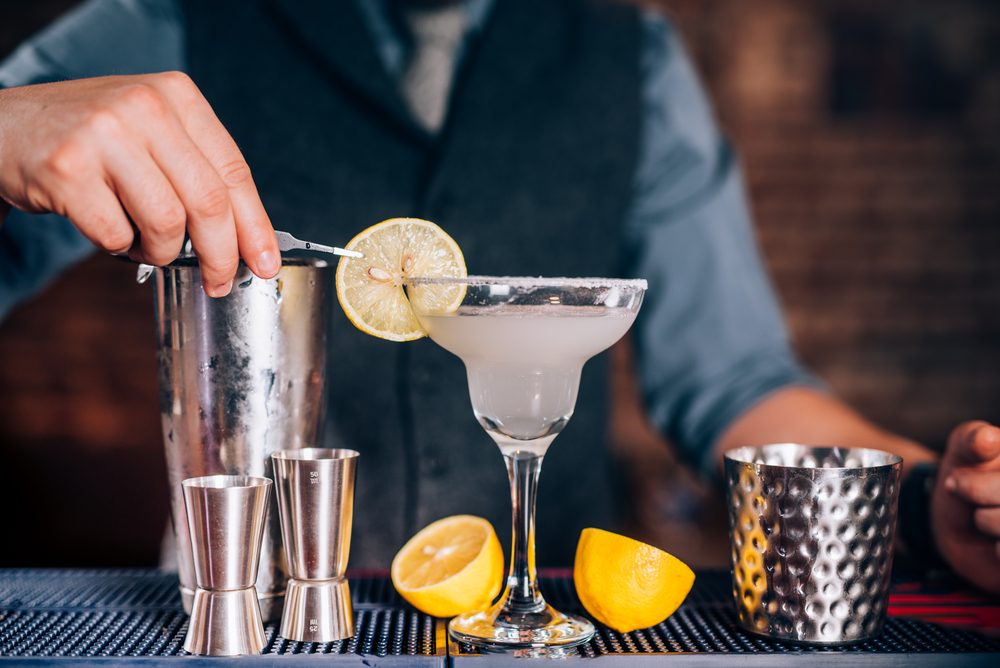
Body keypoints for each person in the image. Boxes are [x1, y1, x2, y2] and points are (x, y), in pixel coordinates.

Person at [1, 0, 998, 591]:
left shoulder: (630, 60)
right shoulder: (158, 25)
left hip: (551, 622)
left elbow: (733, 379)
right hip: (240, 619)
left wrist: (922, 500)